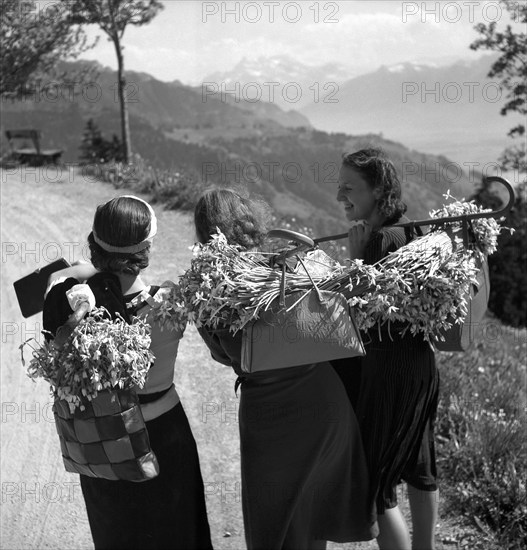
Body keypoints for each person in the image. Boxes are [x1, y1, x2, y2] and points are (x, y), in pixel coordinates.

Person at [193, 188, 379, 550]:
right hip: (326, 405)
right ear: (249, 221)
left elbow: (223, 355)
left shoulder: (213, 287)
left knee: (279, 524)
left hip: (270, 417)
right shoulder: (291, 265)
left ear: (204, 233)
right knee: (314, 519)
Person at [43, 195, 213, 550]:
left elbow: (68, 285)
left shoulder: (61, 300)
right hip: (164, 438)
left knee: (117, 536)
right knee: (177, 535)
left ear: (94, 244)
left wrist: (83, 274)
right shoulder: (170, 301)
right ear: (146, 249)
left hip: (102, 441)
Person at [333, 148, 440, 550]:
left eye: (349, 187)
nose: (340, 196)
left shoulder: (379, 242)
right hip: (421, 364)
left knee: (374, 485)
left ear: (378, 189)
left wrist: (356, 261)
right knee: (419, 467)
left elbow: (365, 317)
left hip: (389, 367)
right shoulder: (413, 231)